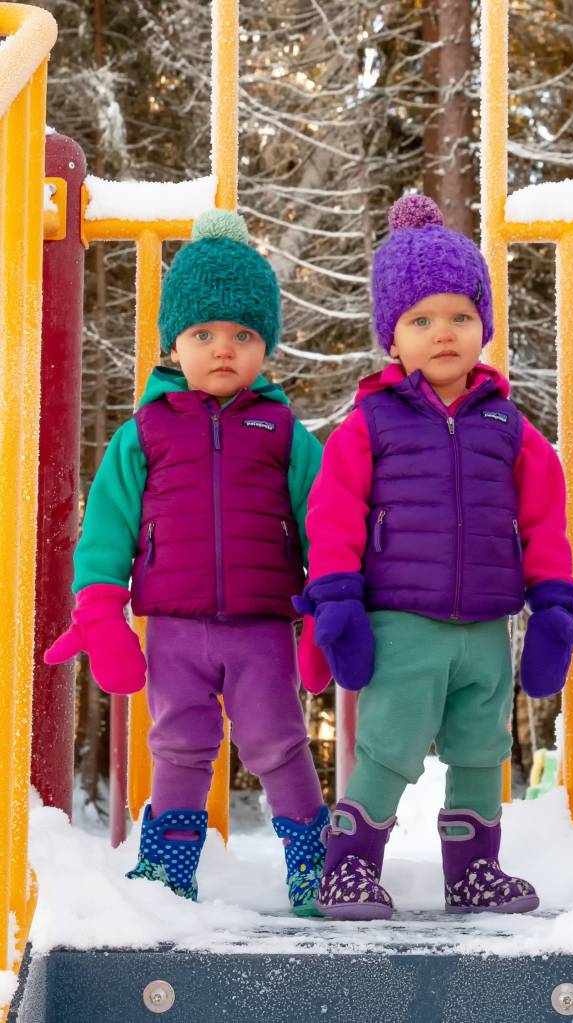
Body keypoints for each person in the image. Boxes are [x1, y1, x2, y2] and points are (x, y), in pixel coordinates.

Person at [296, 194, 573, 920]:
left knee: (481, 751)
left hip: (486, 624)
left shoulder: (508, 425)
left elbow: (544, 518)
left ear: (482, 326)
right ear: (391, 338)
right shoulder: (369, 423)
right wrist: (334, 599)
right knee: (388, 747)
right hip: (403, 623)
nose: (443, 332)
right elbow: (333, 514)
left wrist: (553, 602)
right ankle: (350, 867)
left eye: (460, 315)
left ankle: (474, 870)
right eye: (420, 319)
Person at [46, 210, 328, 914]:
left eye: (243, 334)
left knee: (277, 739)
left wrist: (329, 602)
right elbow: (106, 528)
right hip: (174, 626)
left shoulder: (283, 433)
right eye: (203, 334)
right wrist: (100, 606)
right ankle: (169, 864)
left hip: (263, 626)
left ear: (266, 344)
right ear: (176, 342)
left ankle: (310, 859)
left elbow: (324, 521)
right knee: (177, 742)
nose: (223, 349)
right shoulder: (144, 432)